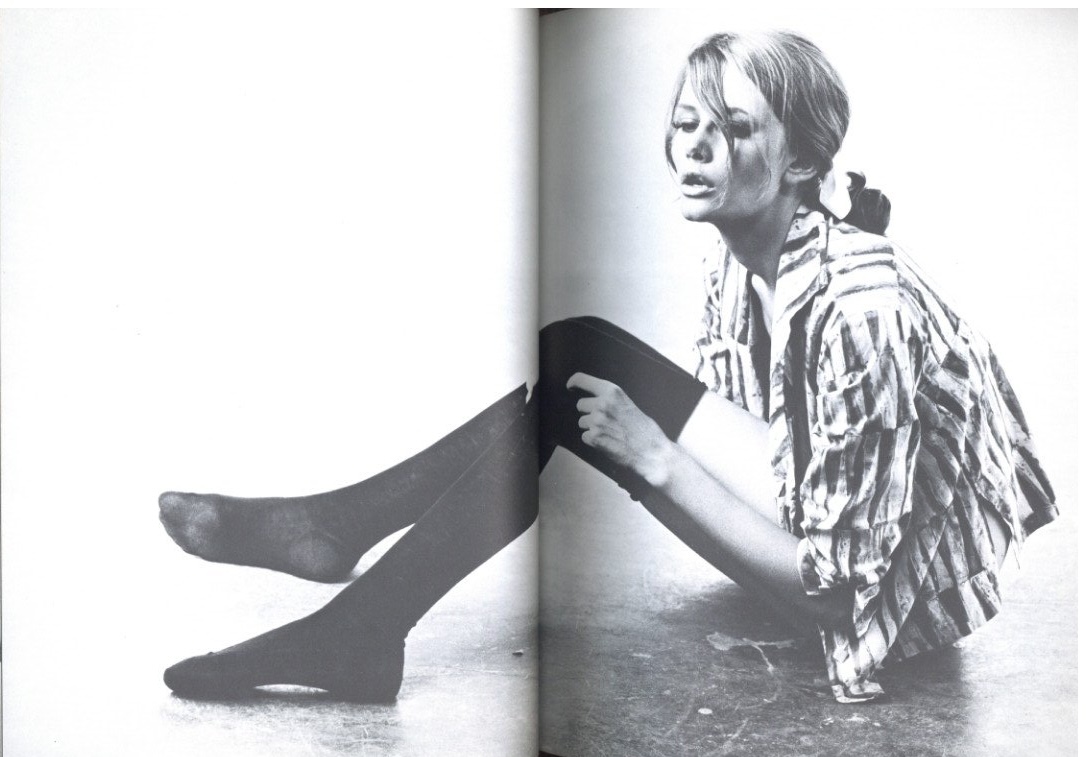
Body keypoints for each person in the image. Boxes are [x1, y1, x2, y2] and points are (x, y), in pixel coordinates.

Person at [159, 30, 1057, 704]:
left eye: (735, 128)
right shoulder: (762, 250)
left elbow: (841, 594)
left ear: (803, 162)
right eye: (687, 123)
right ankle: (344, 547)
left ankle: (352, 602)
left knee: (581, 392)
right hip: (831, 513)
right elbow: (798, 433)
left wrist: (654, 458)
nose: (698, 146)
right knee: (572, 354)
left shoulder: (859, 307)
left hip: (897, 605)